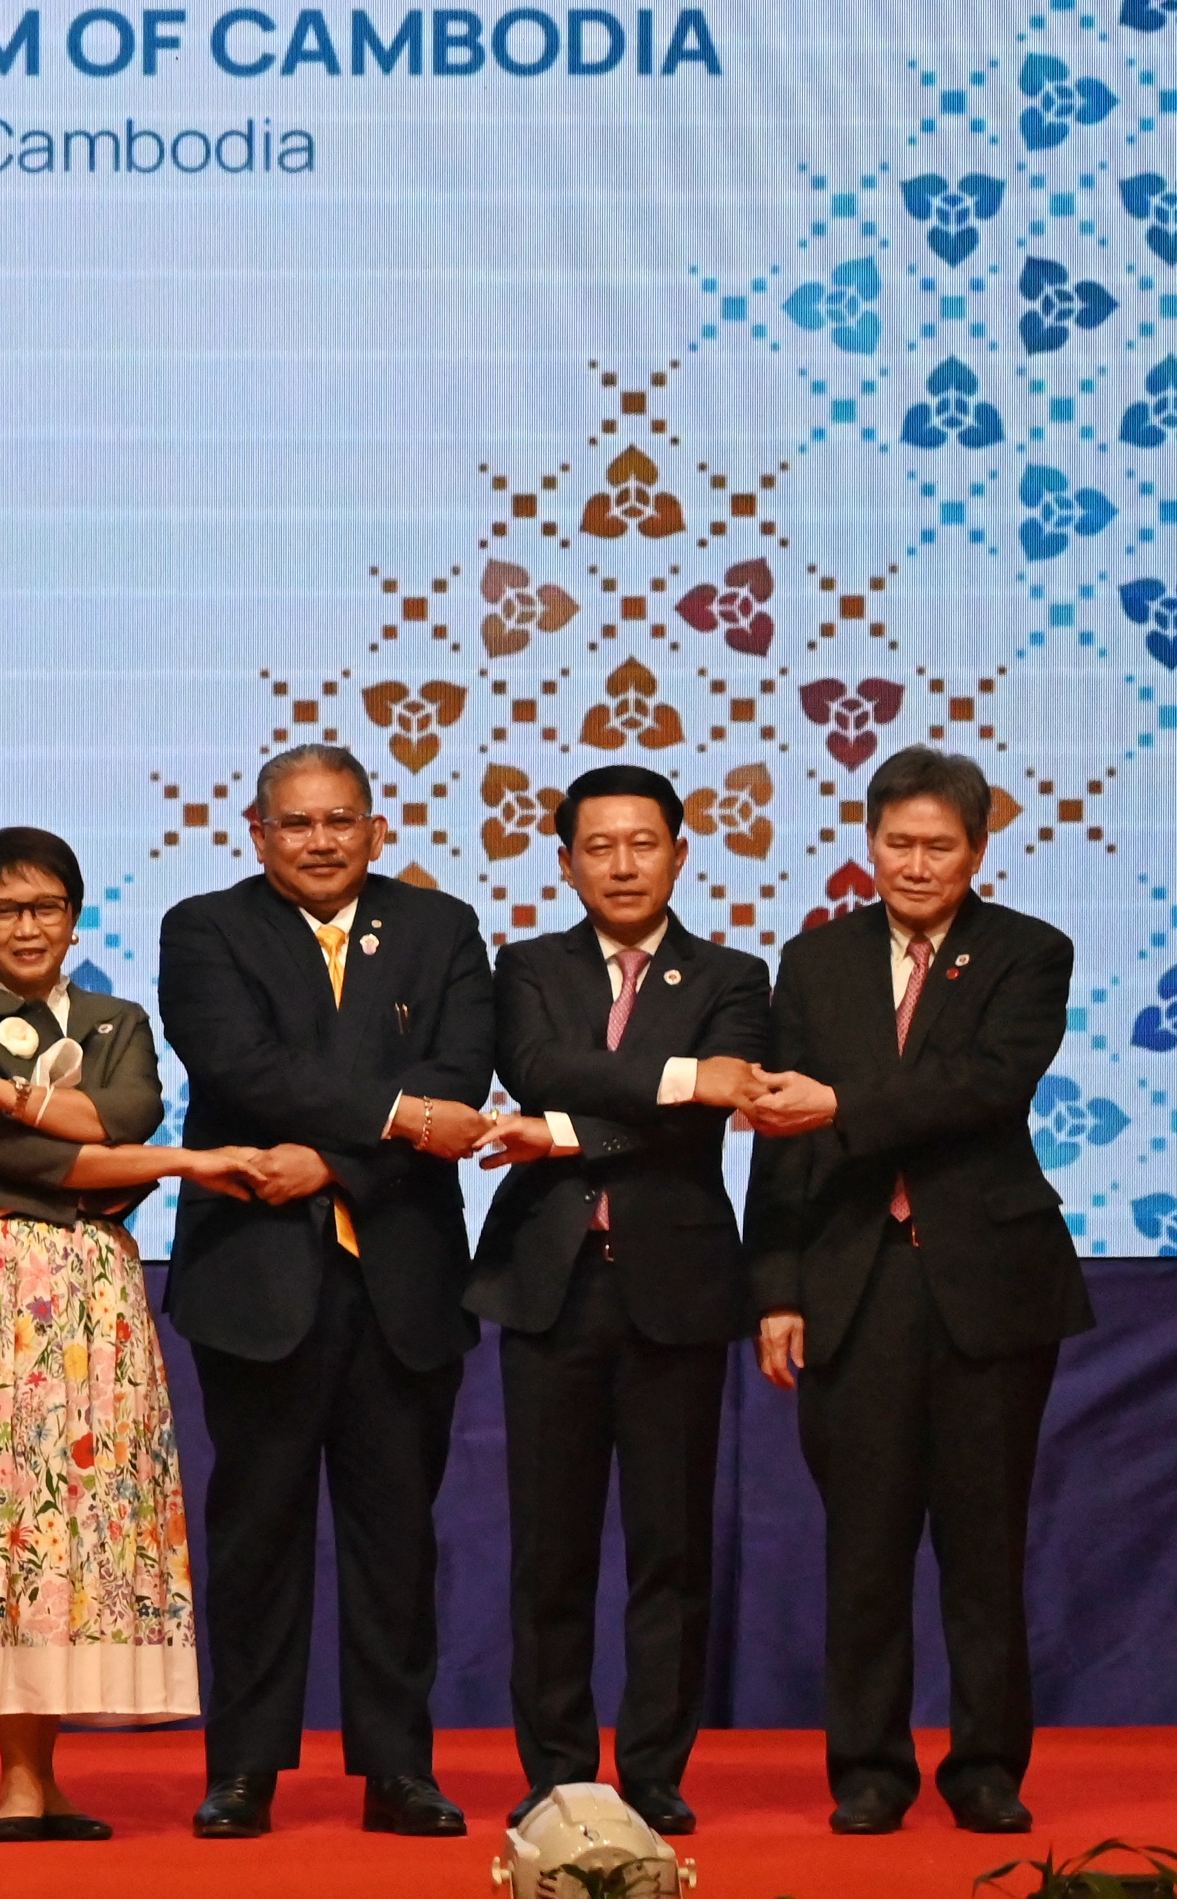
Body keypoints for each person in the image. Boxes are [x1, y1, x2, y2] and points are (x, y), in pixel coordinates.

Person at [0, 825, 265, 1838]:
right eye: (4, 910)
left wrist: (26, 1103)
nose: (26, 927)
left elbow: (130, 1114)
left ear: (74, 919)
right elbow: (13, 1160)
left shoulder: (120, 1017)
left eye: (45, 907)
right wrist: (180, 1165)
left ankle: (49, 1773)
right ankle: (18, 1778)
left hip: (93, 1289)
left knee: (80, 1520)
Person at [750, 743, 1095, 1838]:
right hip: (851, 1281)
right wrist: (776, 1287)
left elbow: (982, 1087)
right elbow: (777, 1136)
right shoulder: (814, 962)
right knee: (862, 1546)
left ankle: (985, 1768)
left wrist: (839, 1105)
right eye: (896, 842)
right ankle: (868, 1771)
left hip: (988, 1284)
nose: (913, 863)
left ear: (977, 850)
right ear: (867, 843)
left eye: (937, 846)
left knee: (983, 1546)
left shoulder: (1029, 952)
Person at [465, 764, 811, 1837]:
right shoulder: (525, 966)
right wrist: (681, 1077)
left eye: (642, 843)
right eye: (598, 847)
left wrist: (564, 1133)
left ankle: (655, 1770)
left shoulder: (734, 975)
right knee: (549, 1550)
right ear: (565, 862)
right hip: (551, 1286)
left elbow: (703, 1118)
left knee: (671, 1547)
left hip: (677, 1287)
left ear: (679, 852)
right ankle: (558, 1770)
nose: (622, 865)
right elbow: (541, 1066)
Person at [160, 740, 497, 1840]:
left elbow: (459, 1078)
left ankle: (398, 1771)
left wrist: (331, 1161)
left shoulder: (439, 927)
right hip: (254, 1278)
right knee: (254, 1537)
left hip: (401, 1272)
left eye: (340, 820)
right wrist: (391, 1120)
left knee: (396, 1541)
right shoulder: (205, 928)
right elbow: (237, 1067)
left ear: (375, 828)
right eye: (296, 823)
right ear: (257, 835)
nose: (319, 841)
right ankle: (242, 1770)